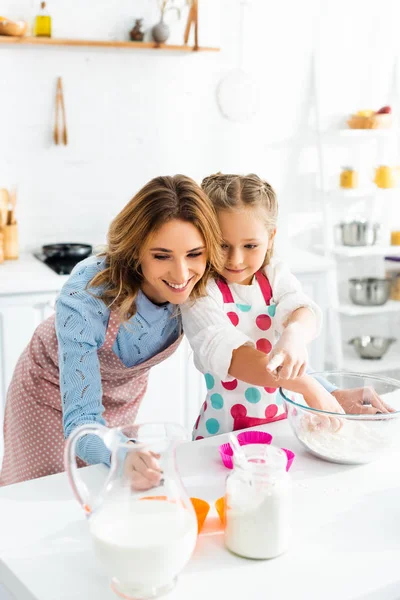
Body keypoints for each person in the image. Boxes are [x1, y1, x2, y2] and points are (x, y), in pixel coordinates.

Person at [0, 174, 225, 487]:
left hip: (122, 400)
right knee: (44, 498)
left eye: (194, 254)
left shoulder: (203, 283)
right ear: (136, 252)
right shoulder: (87, 296)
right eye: (161, 256)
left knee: (103, 490)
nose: (181, 273)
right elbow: (82, 422)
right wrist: (122, 454)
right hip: (48, 395)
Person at [181, 173, 393, 440]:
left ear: (271, 237)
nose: (235, 259)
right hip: (222, 436)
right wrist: (310, 388)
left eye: (250, 245)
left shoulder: (272, 273)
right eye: (222, 245)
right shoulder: (200, 292)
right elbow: (234, 357)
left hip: (282, 428)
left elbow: (302, 308)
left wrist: (295, 335)